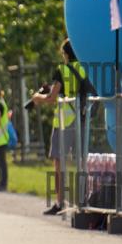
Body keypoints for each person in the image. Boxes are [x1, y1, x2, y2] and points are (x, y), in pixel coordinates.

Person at [31, 38, 84, 215]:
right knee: (82, 161)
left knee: (59, 163)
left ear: (66, 54)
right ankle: (83, 200)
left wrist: (37, 97)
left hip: (64, 121)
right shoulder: (84, 68)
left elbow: (51, 98)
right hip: (82, 119)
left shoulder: (62, 70)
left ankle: (60, 202)